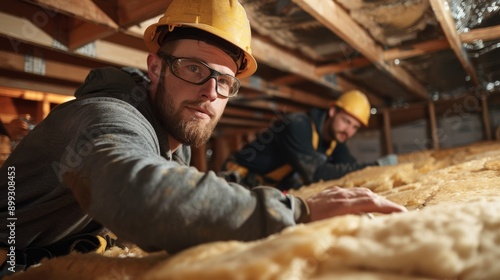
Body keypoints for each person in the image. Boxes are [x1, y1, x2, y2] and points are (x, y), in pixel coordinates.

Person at [0, 0, 406, 276]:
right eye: (194, 69)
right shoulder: (106, 117)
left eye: (225, 80)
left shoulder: (169, 146)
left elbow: (181, 191)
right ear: (156, 68)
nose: (211, 92)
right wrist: (298, 212)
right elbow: (136, 194)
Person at [221, 90, 398, 190]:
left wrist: (375, 171)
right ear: (332, 112)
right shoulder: (298, 125)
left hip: (266, 184)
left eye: (355, 127)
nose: (348, 131)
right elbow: (316, 173)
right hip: (237, 179)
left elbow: (349, 168)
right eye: (346, 121)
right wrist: (375, 165)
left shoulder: (336, 139)